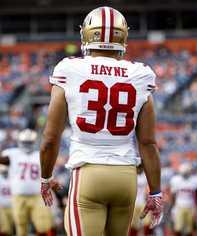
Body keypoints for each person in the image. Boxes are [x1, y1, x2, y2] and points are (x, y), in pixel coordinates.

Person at [39, 6, 163, 236]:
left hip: (88, 172)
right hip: (125, 177)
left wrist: (45, 177)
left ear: (86, 33)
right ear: (123, 36)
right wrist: (155, 192)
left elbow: (50, 137)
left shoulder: (70, 68)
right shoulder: (140, 73)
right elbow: (148, 143)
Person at [0, 129, 52, 236]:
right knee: (21, 227)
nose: (27, 145)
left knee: (43, 225)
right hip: (18, 196)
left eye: (29, 142)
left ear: (33, 142)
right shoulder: (13, 154)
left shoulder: (39, 155)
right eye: (25, 142)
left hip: (37, 195)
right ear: (20, 141)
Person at [170, 163, 197, 236]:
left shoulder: (194, 181)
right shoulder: (176, 180)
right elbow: (173, 195)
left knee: (189, 228)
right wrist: (173, 207)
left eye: (187, 172)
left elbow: (196, 196)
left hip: (190, 206)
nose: (185, 174)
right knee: (178, 227)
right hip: (179, 206)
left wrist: (196, 207)